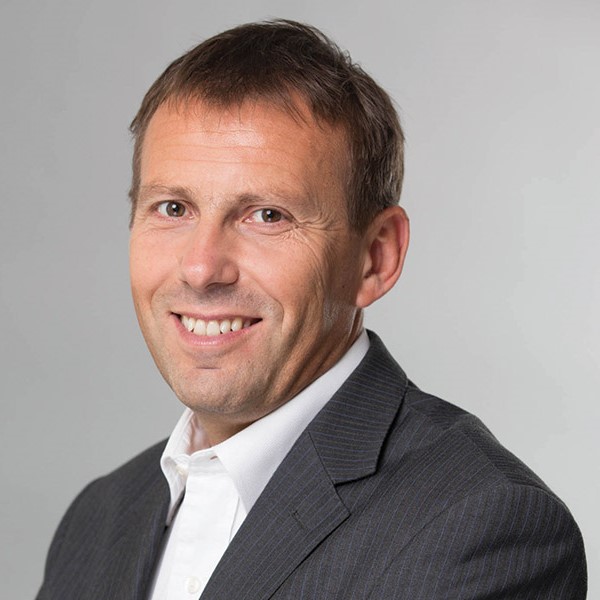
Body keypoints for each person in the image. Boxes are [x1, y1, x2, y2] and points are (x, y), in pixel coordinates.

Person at [36, 19, 587, 599]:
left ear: (375, 258)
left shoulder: (482, 526)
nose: (200, 268)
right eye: (173, 208)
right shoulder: (97, 522)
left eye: (267, 216)